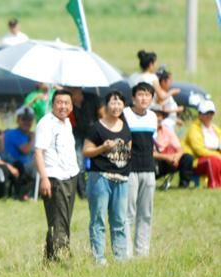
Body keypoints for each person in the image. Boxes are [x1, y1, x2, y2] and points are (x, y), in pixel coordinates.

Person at [83, 91, 132, 265]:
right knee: (98, 219)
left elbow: (128, 151)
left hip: (121, 179)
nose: (116, 106)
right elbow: (86, 151)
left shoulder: (125, 127)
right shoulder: (97, 127)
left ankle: (120, 258)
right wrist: (102, 148)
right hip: (100, 177)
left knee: (119, 220)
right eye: (113, 103)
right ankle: (99, 259)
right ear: (106, 105)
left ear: (124, 106)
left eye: (120, 103)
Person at [34, 89, 80, 261]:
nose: (63, 106)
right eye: (59, 102)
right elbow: (38, 152)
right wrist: (44, 178)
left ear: (71, 105)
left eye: (66, 103)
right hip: (55, 177)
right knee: (58, 218)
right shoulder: (46, 124)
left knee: (64, 217)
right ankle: (62, 257)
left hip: (70, 175)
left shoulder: (66, 122)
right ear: (52, 104)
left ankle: (50, 257)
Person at [123, 82, 157, 258]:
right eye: (140, 95)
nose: (144, 98)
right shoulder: (125, 115)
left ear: (152, 98)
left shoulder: (153, 117)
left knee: (146, 213)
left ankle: (142, 252)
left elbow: (153, 144)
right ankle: (127, 253)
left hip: (148, 170)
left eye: (147, 95)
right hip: (130, 170)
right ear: (133, 98)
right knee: (128, 213)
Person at [68, 87, 101, 199]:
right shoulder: (68, 102)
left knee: (96, 160)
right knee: (79, 162)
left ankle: (97, 187)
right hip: (76, 134)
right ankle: (82, 191)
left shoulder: (92, 98)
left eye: (74, 89)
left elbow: (102, 114)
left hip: (93, 133)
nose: (73, 92)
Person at [151, 104, 193, 188]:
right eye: (155, 115)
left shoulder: (167, 131)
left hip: (169, 160)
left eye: (160, 116)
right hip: (155, 161)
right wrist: (167, 158)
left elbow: (179, 148)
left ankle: (184, 185)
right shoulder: (145, 131)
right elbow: (149, 153)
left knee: (187, 158)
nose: (158, 118)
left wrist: (176, 158)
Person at [182, 100, 221, 188]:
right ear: (200, 114)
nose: (209, 116)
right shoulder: (194, 129)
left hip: (216, 156)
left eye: (211, 113)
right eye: (207, 113)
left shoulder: (215, 129)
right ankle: (214, 185)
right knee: (212, 161)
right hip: (197, 161)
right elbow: (199, 150)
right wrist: (217, 156)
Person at [1, 106, 35, 198]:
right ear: (18, 120)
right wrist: (32, 138)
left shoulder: (28, 134)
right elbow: (25, 150)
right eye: (24, 119)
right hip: (17, 166)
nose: (27, 122)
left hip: (26, 167)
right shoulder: (13, 133)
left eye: (29, 119)